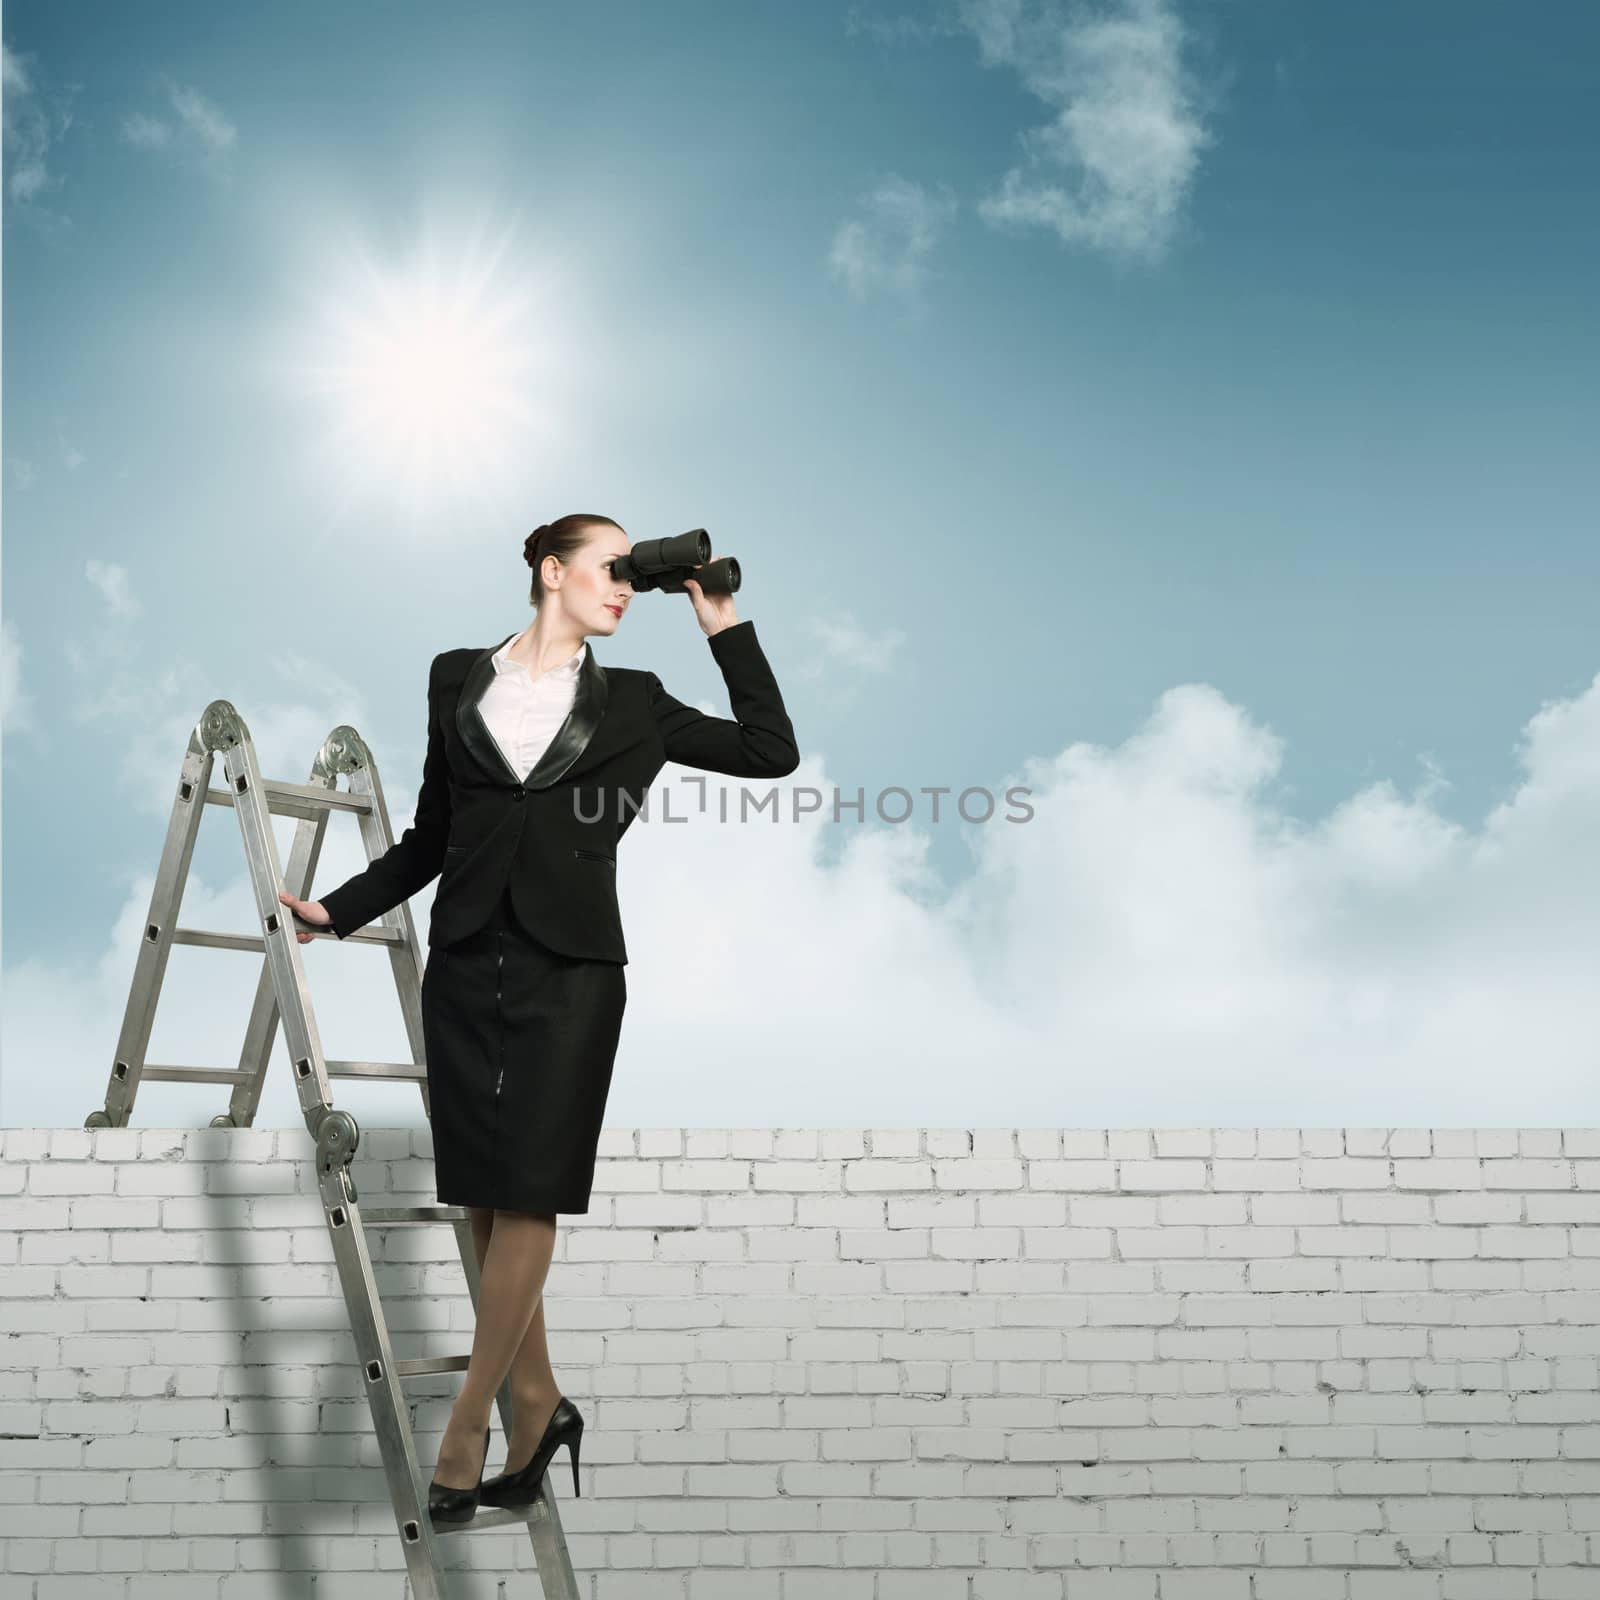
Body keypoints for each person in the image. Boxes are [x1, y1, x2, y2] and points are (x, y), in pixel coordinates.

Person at [276, 514, 799, 1524]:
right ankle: (536, 1401)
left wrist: (720, 622)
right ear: (551, 572)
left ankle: (468, 1419)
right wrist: (338, 908)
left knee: (529, 1195)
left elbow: (769, 751)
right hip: (467, 959)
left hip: (573, 971)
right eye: (612, 569)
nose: (624, 589)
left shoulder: (637, 702)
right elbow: (435, 832)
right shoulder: (454, 676)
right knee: (482, 1193)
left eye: (632, 578)